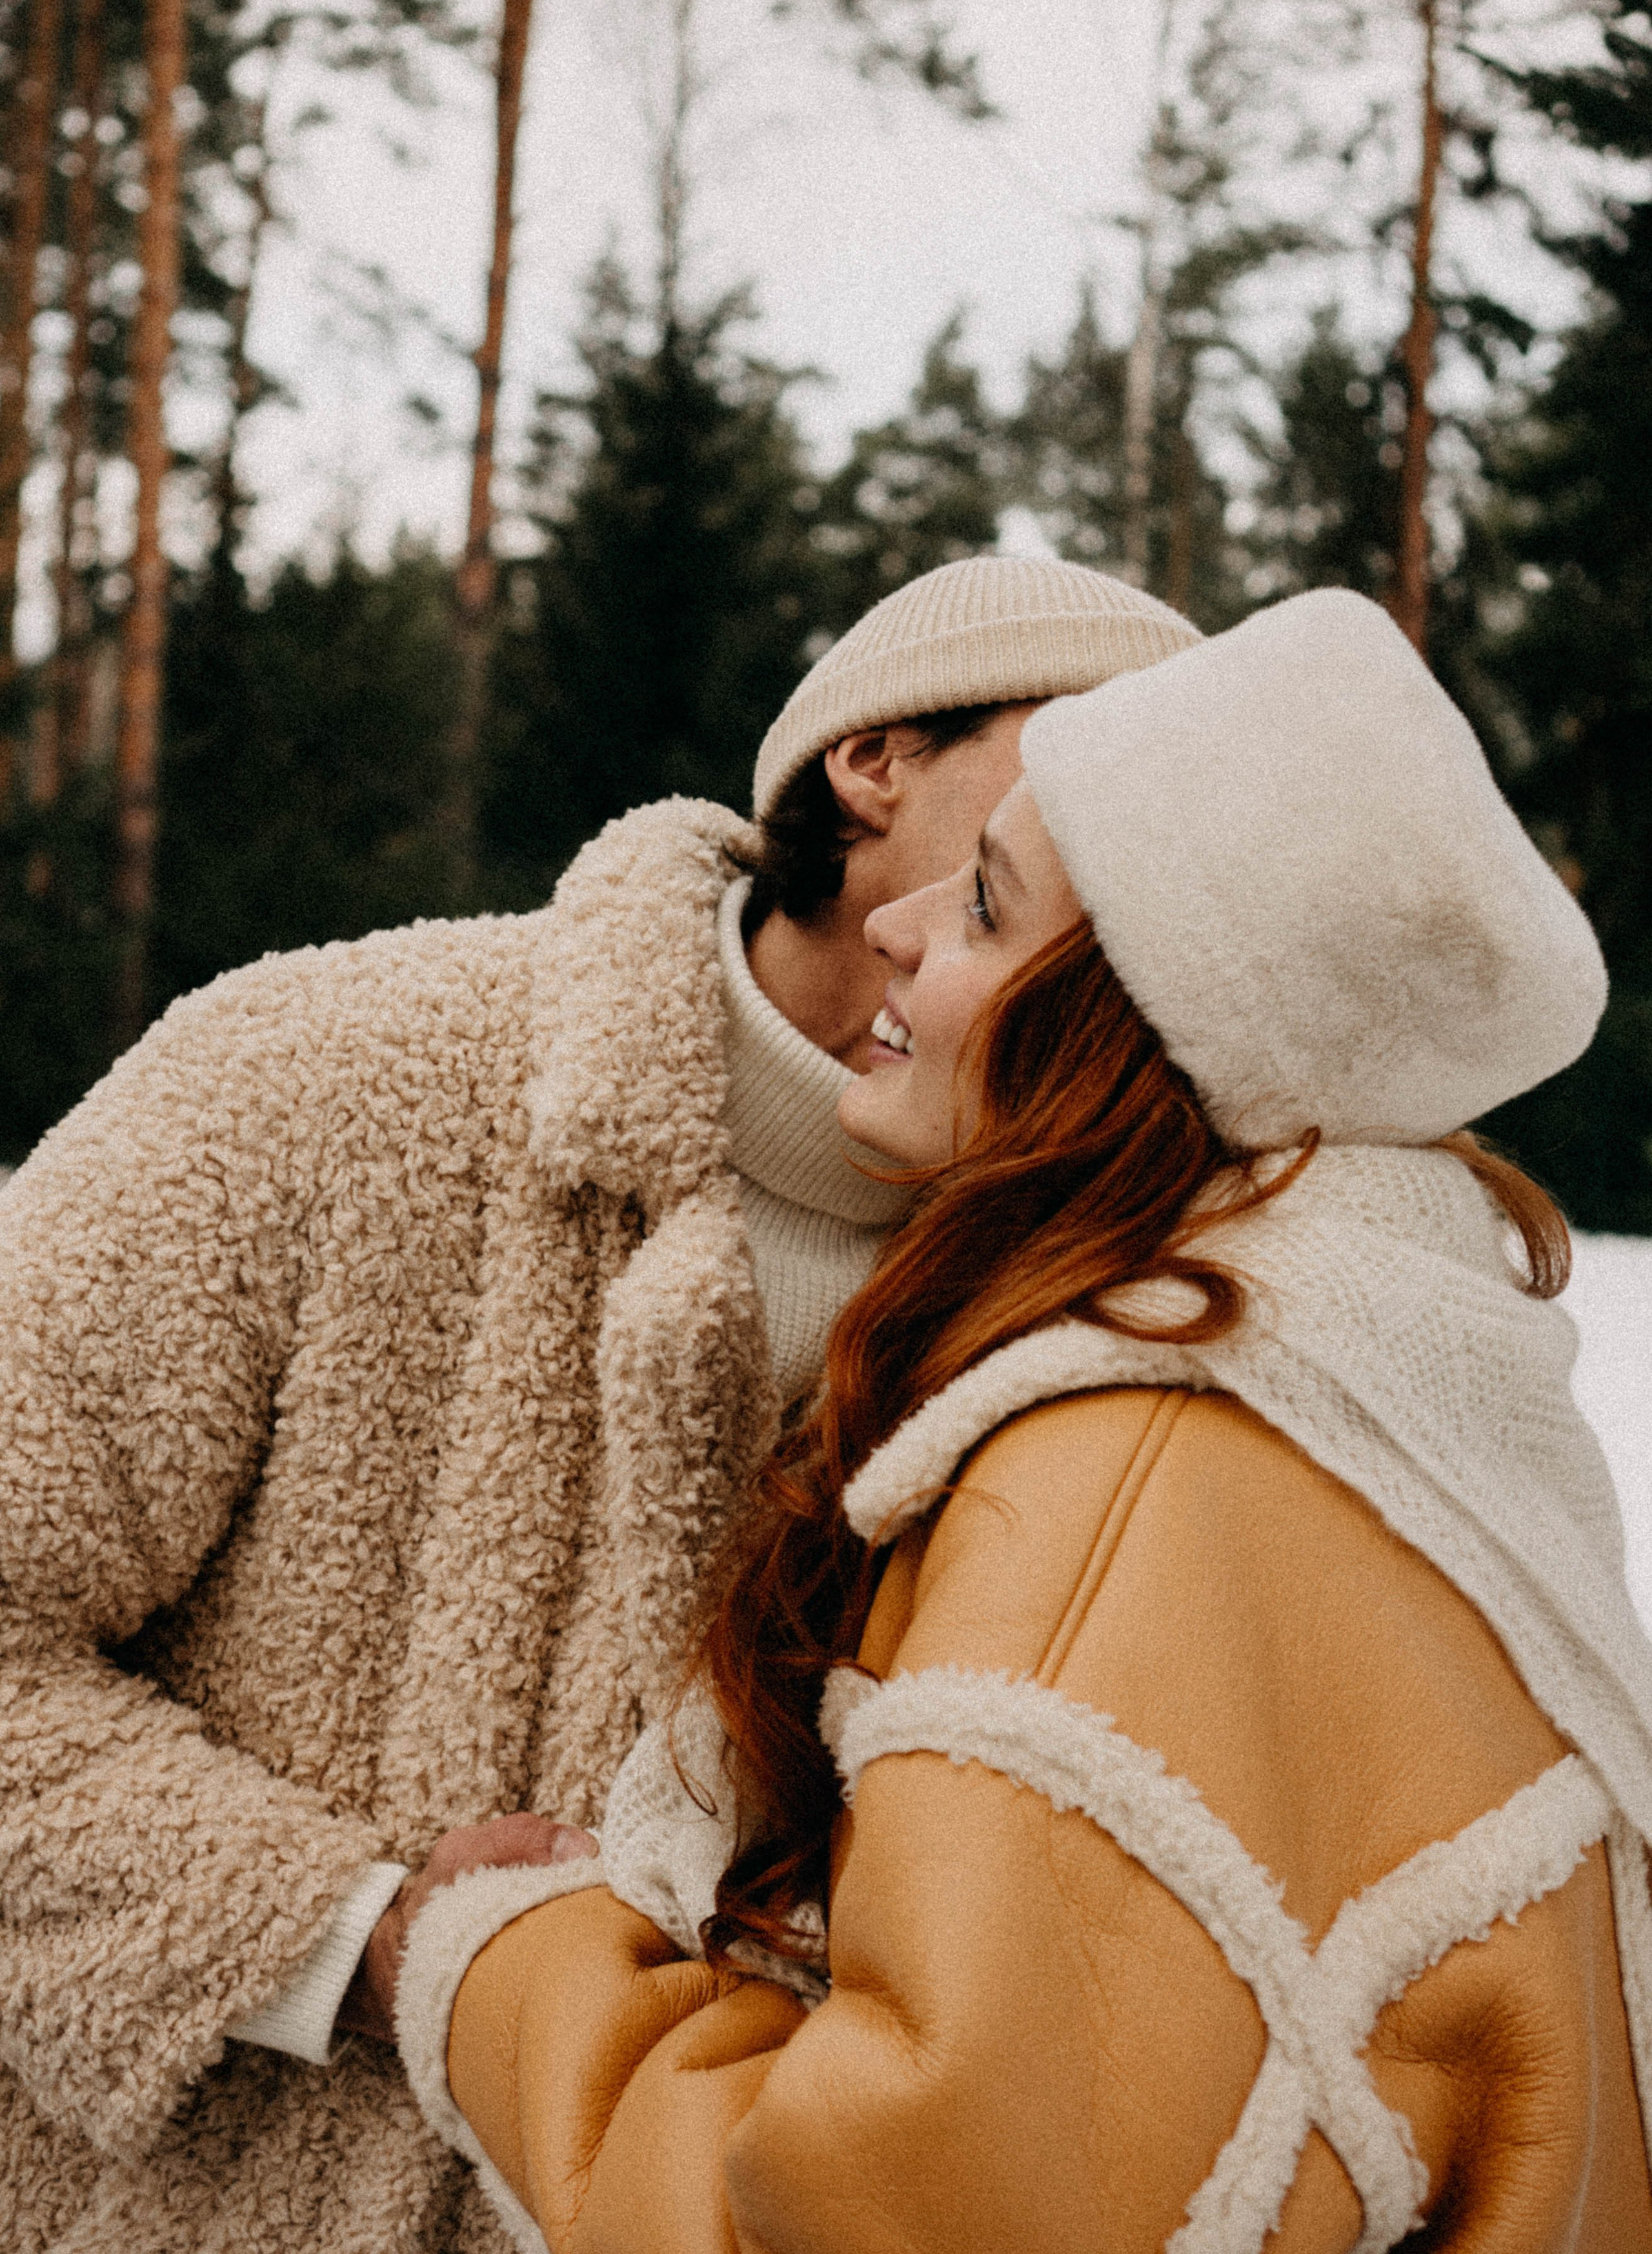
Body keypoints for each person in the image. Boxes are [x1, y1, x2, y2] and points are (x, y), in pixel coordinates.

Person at [394, 590, 1652, 2254]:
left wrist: (495, 1958)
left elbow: (874, 2223)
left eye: (986, 906)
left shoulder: (1129, 1480)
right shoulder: (1403, 1412)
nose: (908, 931)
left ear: (1141, 1035)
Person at [0, 556, 1203, 2254]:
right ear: (875, 757)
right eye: (1099, 754)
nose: (1142, 828)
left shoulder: (1122, 1304)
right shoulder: (328, 1075)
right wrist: (348, 1942)